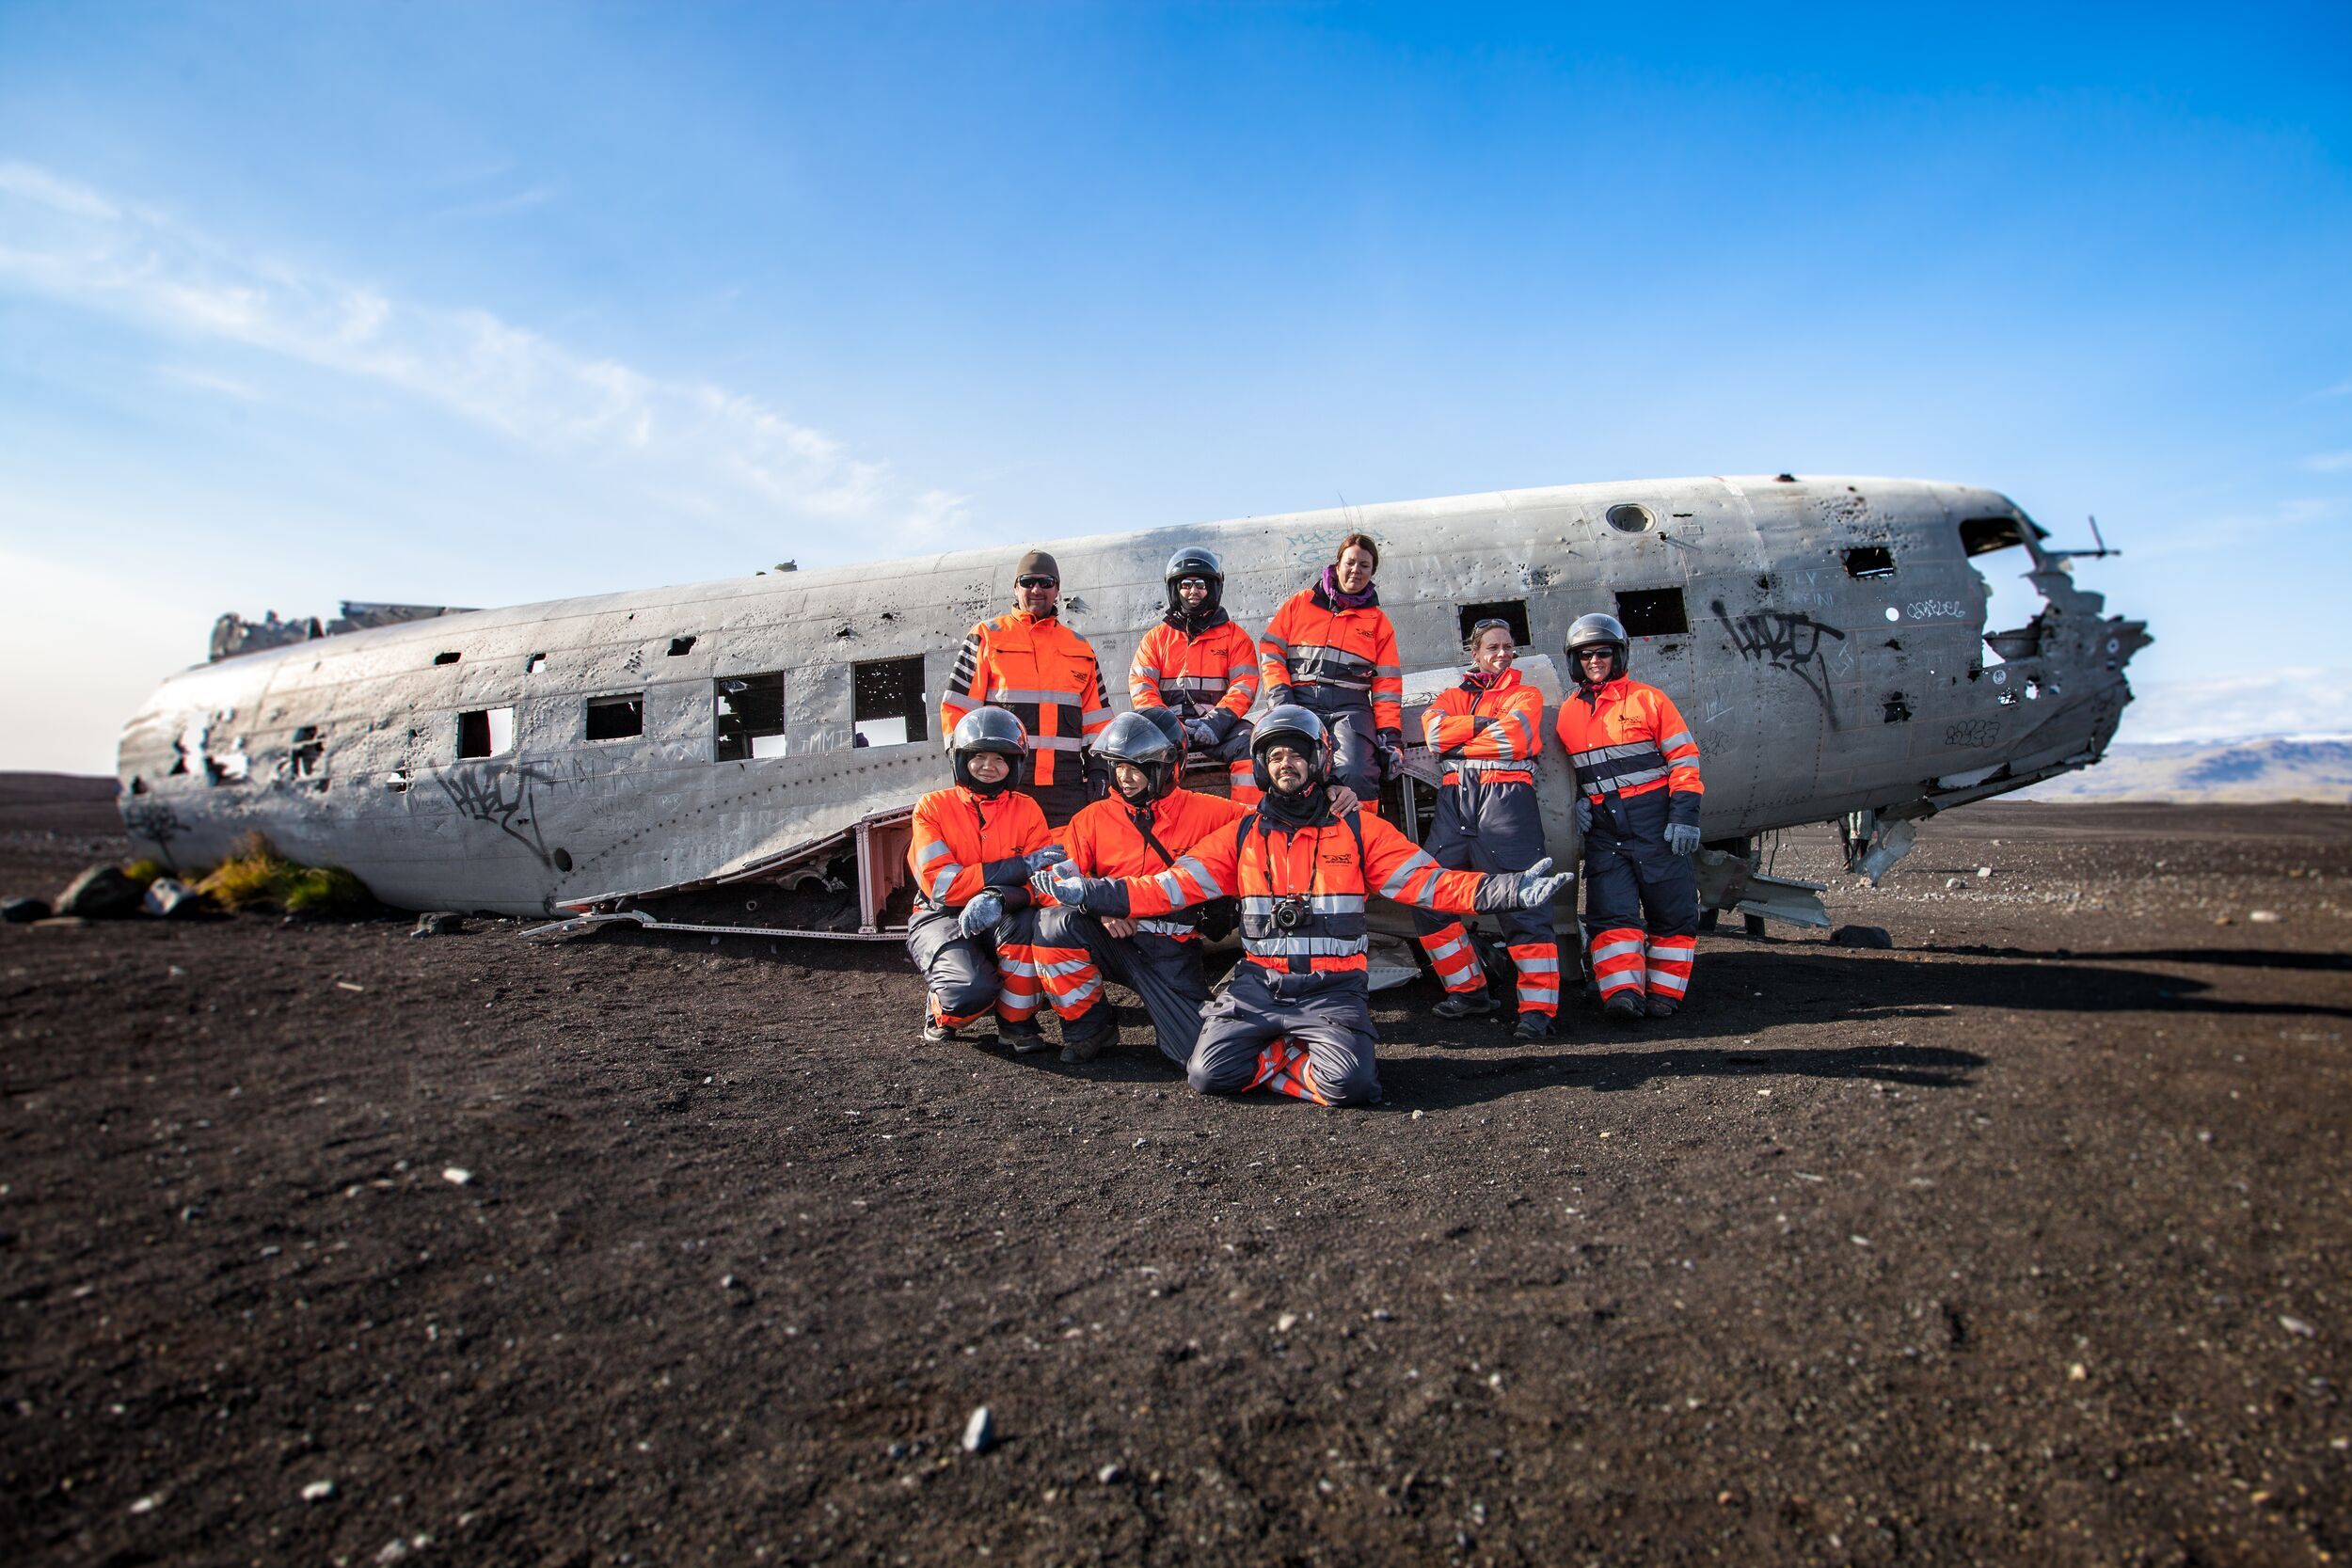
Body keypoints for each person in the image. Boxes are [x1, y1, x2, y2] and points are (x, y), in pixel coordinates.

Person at [1035, 705, 1571, 1106]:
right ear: (1263, 768)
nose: (1285, 764)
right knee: (1205, 1076)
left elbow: (1429, 885)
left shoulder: (1359, 829)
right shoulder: (1239, 834)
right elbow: (1166, 887)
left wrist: (1505, 891)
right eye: (1274, 756)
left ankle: (1304, 1057)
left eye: (1295, 753)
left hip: (1332, 989)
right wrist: (1091, 894)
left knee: (1354, 1087)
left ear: (1318, 760)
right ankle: (1299, 1054)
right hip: (1258, 985)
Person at [1410, 618, 1564, 1041]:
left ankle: (1537, 1012)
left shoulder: (1526, 694)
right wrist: (1485, 726)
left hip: (1506, 807)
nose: (1501, 654)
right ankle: (1469, 990)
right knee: (1427, 897)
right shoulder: (1450, 696)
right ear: (1474, 654)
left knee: (1524, 908)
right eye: (1492, 648)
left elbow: (1516, 738)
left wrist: (1463, 732)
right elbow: (1435, 735)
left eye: (1507, 647)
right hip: (1455, 806)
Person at [1553, 612, 1705, 1022]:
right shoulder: (1567, 713)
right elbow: (1575, 771)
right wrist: (1584, 800)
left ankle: (1664, 995)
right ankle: (1622, 993)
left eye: (1603, 653)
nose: (1595, 661)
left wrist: (1685, 816)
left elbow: (1685, 759)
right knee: (1610, 915)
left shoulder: (1650, 700)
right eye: (1586, 655)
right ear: (1575, 661)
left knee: (1672, 915)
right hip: (1606, 831)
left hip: (1656, 822)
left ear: (1618, 655)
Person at [905, 708, 1068, 1050]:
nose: (988, 766)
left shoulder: (1027, 809)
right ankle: (941, 1012)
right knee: (970, 993)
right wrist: (1020, 866)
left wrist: (999, 898)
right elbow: (943, 886)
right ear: (961, 760)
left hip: (1003, 914)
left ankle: (1015, 1022)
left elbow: (1043, 884)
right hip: (940, 915)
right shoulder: (931, 808)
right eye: (978, 756)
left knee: (1029, 925)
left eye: (1000, 758)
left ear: (1015, 765)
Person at [938, 549, 1113, 827]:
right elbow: (958, 709)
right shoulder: (987, 636)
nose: (1036, 590)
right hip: (1005, 781)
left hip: (1066, 787)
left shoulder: (1080, 648)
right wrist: (961, 764)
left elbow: (1097, 720)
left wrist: (1100, 769)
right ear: (1015, 587)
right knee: (1011, 864)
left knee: (1068, 865)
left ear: (1057, 590)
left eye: (1046, 583)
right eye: (1028, 582)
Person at [1258, 533, 1405, 806]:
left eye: (1364, 565)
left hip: (1350, 708)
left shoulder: (1378, 623)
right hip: (1298, 702)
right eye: (1350, 562)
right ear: (1337, 564)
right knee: (1295, 770)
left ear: (1372, 572)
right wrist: (1282, 701)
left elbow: (1387, 687)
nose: (1356, 570)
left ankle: (1359, 838)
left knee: (1357, 773)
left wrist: (1390, 736)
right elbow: (1271, 650)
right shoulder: (1299, 604)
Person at [1129, 546, 1263, 807]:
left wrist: (1215, 723)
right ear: (1174, 590)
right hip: (1168, 730)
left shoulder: (1235, 636)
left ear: (1213, 588)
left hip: (1218, 730)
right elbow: (1141, 685)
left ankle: (1248, 819)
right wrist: (1166, 724)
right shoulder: (1156, 638)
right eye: (1186, 584)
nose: (1193, 591)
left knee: (1250, 743)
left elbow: (1244, 686)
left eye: (1200, 584)